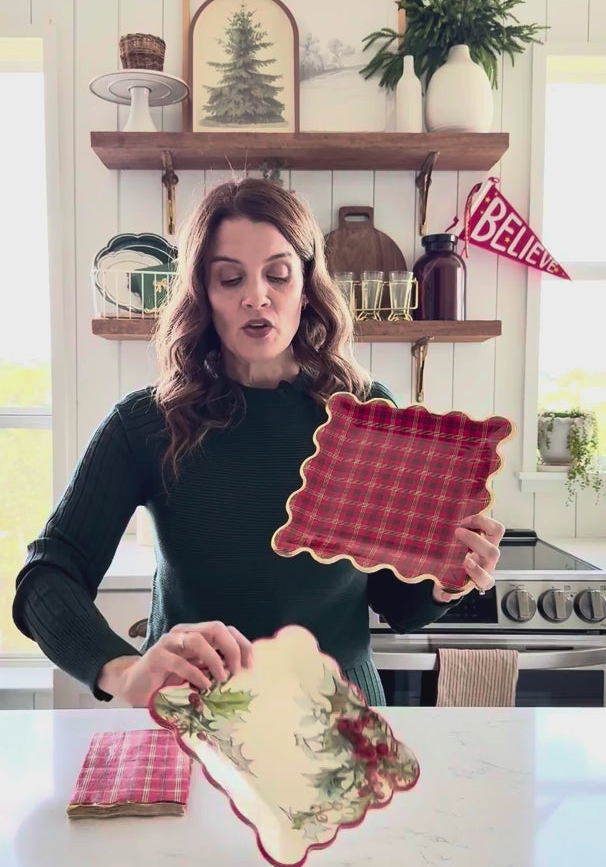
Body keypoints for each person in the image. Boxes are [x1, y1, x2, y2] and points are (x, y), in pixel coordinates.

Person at [13, 178, 504, 708]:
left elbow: (398, 605)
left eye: (278, 274)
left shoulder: (365, 413)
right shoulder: (145, 422)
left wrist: (446, 578)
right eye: (230, 278)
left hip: (341, 720)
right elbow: (47, 576)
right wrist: (123, 669)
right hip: (197, 716)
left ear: (307, 285)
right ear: (203, 291)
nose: (256, 296)